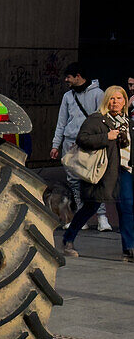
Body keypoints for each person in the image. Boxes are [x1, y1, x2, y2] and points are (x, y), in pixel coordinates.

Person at [61, 86, 130, 257]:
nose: (115, 102)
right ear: (106, 100)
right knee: (91, 206)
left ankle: (129, 247)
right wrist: (106, 137)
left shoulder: (128, 122)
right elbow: (82, 139)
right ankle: (69, 237)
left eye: (119, 99)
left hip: (124, 170)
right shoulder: (96, 119)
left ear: (124, 101)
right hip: (103, 172)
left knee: (127, 207)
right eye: (112, 99)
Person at [50, 63, 110, 231]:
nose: (66, 80)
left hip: (90, 143)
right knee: (74, 182)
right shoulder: (67, 97)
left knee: (95, 180)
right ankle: (81, 217)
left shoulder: (98, 94)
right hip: (71, 142)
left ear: (78, 76)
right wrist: (56, 144)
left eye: (68, 77)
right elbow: (61, 122)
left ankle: (102, 217)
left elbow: (102, 119)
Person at [119, 76, 134, 261]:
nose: (131, 88)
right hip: (125, 164)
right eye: (129, 85)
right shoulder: (124, 107)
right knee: (127, 205)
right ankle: (129, 246)